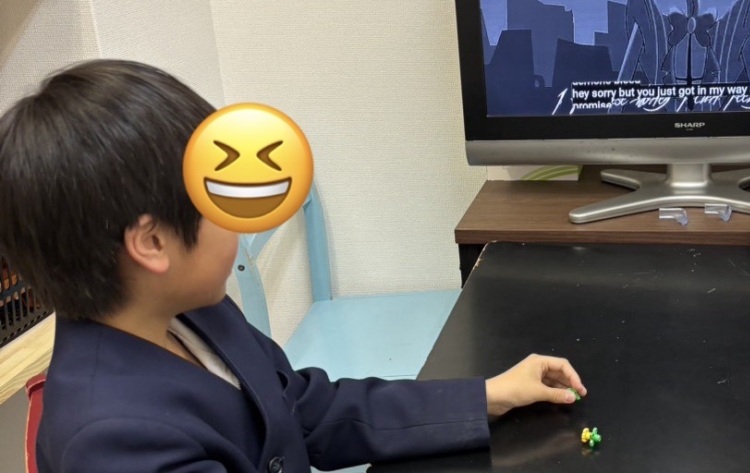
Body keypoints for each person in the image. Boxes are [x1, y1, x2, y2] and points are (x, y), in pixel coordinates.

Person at [0, 60, 587, 472]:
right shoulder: (112, 442)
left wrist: (486, 395)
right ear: (152, 243)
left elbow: (303, 411)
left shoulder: (189, 310)